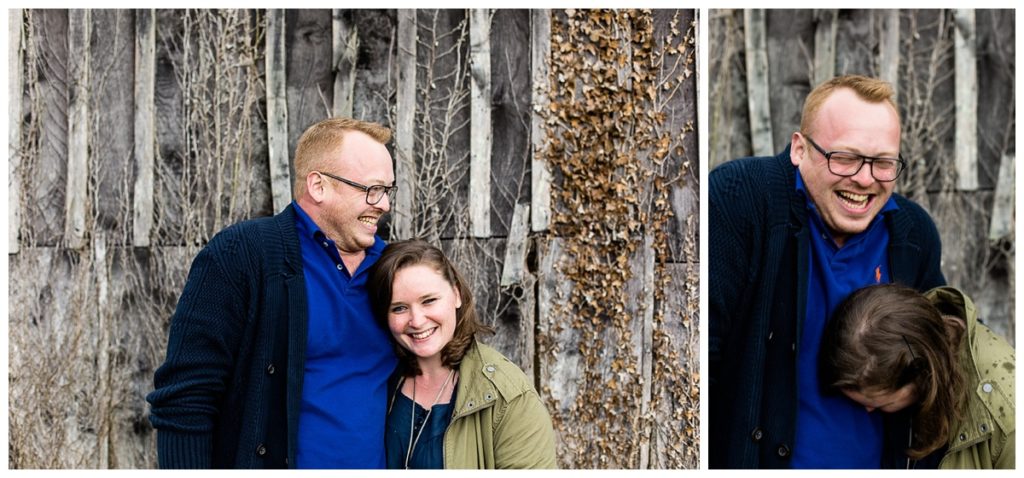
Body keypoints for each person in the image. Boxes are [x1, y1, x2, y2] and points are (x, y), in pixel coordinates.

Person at [709, 75, 946, 468]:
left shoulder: (913, 235)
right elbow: (702, 363)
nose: (865, 179)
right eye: (846, 158)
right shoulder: (741, 200)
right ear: (799, 149)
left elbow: (941, 359)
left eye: (883, 162)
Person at [146, 117, 399, 468]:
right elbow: (186, 398)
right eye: (372, 189)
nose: (383, 204)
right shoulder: (241, 255)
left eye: (387, 190)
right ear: (318, 186)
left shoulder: (393, 271)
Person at [366, 240, 558, 469]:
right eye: (399, 308)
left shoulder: (510, 399)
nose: (416, 321)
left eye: (429, 301)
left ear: (456, 294)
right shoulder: (380, 379)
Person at [819, 283, 1014, 469]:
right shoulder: (916, 341)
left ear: (923, 375)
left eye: (881, 404)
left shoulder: (1008, 413)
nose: (868, 410)